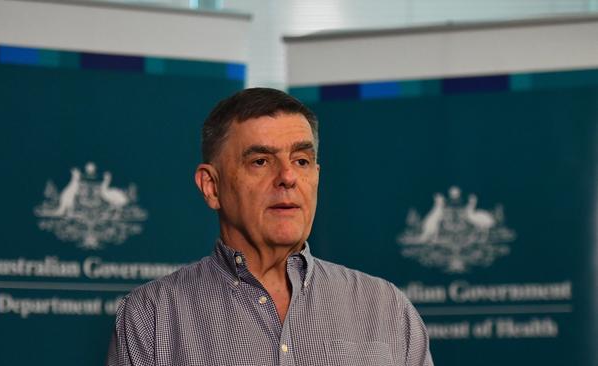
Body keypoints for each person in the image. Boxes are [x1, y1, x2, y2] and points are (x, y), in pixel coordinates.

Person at [107, 88, 434, 366]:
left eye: (301, 161)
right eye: (260, 161)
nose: (288, 177)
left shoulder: (386, 308)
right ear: (211, 186)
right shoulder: (152, 318)